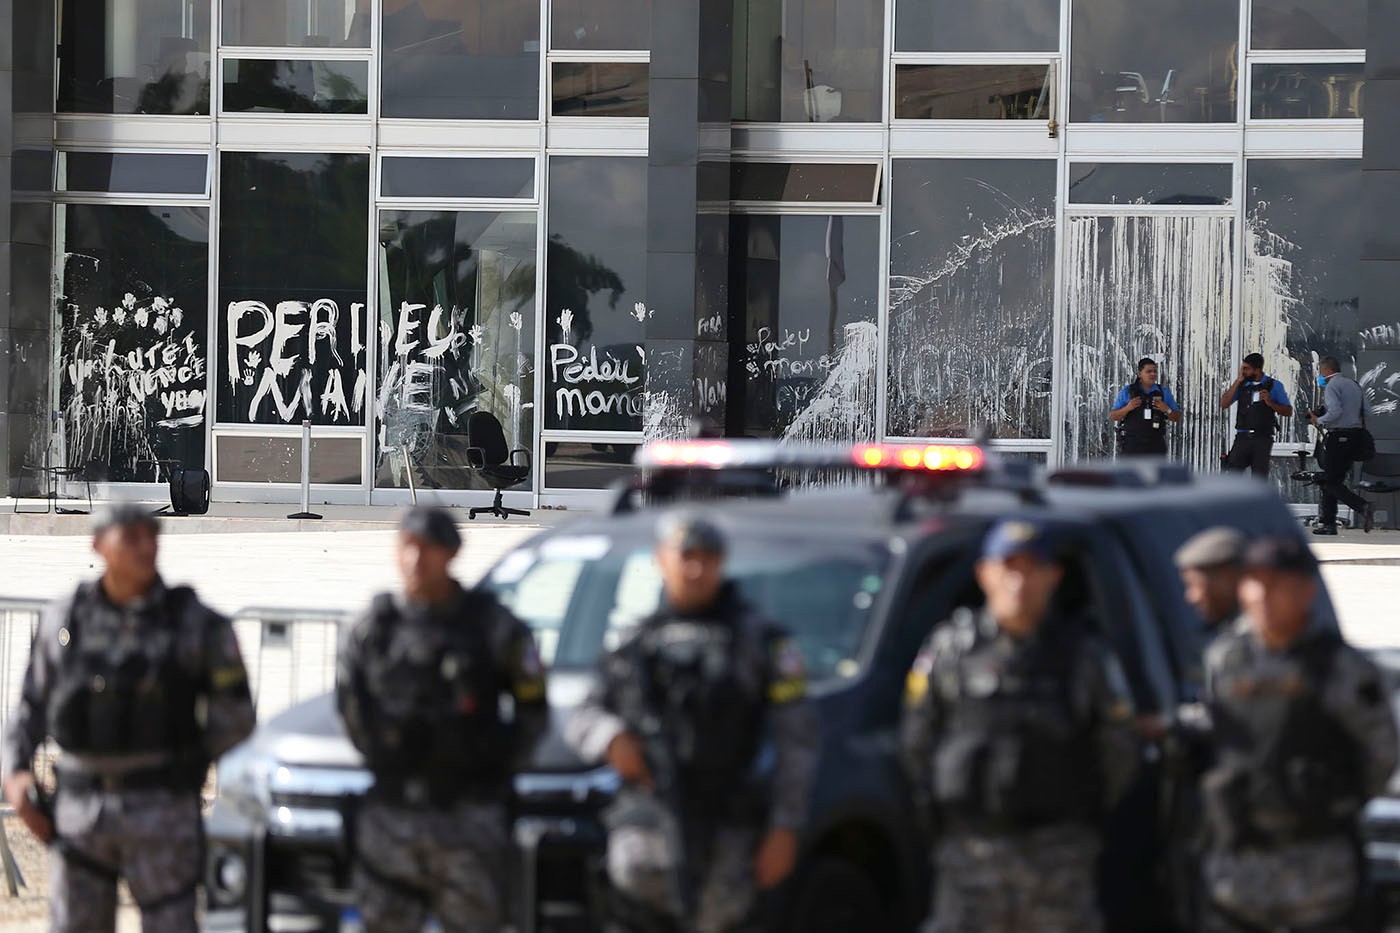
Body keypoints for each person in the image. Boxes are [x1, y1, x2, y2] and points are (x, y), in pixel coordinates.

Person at [0, 503, 255, 933]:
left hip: (163, 812)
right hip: (81, 815)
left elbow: (236, 719)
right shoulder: (66, 620)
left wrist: (189, 767)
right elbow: (30, 708)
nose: (145, 547)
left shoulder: (194, 623)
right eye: (131, 537)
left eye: (151, 536)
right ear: (99, 544)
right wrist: (17, 774)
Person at [564, 512, 819, 933]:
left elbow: (798, 740)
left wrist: (785, 826)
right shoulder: (633, 643)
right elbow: (583, 715)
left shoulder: (759, 642)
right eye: (686, 556)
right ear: (661, 560)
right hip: (649, 827)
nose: (696, 569)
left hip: (730, 827)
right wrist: (611, 739)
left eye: (708, 557)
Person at [900, 518, 1139, 933]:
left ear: (1053, 576)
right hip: (971, 853)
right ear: (984, 574)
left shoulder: (1082, 656)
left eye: (1031, 569)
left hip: (1058, 855)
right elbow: (917, 740)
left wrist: (1078, 822)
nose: (1019, 582)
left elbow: (1118, 747)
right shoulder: (950, 651)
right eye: (1008, 568)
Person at [336, 506, 549, 933]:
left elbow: (534, 714)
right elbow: (353, 712)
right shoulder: (372, 630)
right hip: (392, 817)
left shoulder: (494, 627)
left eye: (428, 549)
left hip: (468, 817)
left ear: (452, 553)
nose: (417, 561)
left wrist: (491, 765)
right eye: (408, 548)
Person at [1200, 536, 1398, 932]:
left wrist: (1332, 802)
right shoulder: (1227, 658)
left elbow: (1381, 754)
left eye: (1277, 585)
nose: (1263, 595)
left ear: (1307, 592)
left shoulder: (1340, 667)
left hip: (1318, 864)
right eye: (1254, 583)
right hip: (1239, 867)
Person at [1309, 356, 1375, 536]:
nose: (1320, 376)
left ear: (1327, 371)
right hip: (1355, 437)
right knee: (1332, 479)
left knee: (1330, 481)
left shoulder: (1332, 386)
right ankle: (1329, 524)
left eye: (1321, 372)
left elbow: (1335, 411)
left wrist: (1318, 419)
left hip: (1338, 437)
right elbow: (1367, 411)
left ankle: (1362, 506)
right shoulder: (1354, 385)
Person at [1220, 353, 1293, 478]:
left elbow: (1288, 411)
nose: (1243, 372)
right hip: (1243, 436)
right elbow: (1224, 403)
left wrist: (1270, 403)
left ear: (1257, 370)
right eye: (1242, 368)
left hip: (1262, 438)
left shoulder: (1274, 385)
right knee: (1232, 473)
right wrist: (1237, 382)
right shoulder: (1242, 385)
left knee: (1259, 476)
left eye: (1246, 369)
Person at [1110, 357, 1183, 456]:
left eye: (1155, 371)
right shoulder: (1128, 391)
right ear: (1140, 374)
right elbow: (1114, 416)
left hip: (1156, 445)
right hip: (1132, 446)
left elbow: (1177, 417)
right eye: (1148, 371)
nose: (1153, 374)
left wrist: (1167, 409)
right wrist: (1128, 408)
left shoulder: (1163, 392)